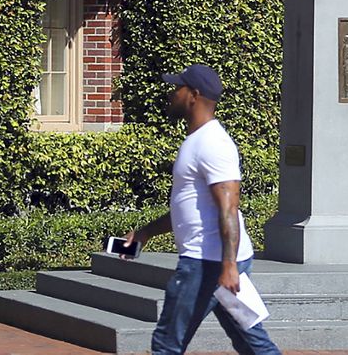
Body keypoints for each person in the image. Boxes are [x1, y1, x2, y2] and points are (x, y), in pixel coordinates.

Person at [121, 64, 282, 355]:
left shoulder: (212, 143)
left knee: (167, 344)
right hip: (216, 262)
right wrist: (145, 233)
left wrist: (229, 266)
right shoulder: (198, 141)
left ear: (193, 95)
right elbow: (189, 209)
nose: (172, 94)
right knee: (251, 342)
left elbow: (229, 207)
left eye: (177, 88)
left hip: (206, 264)